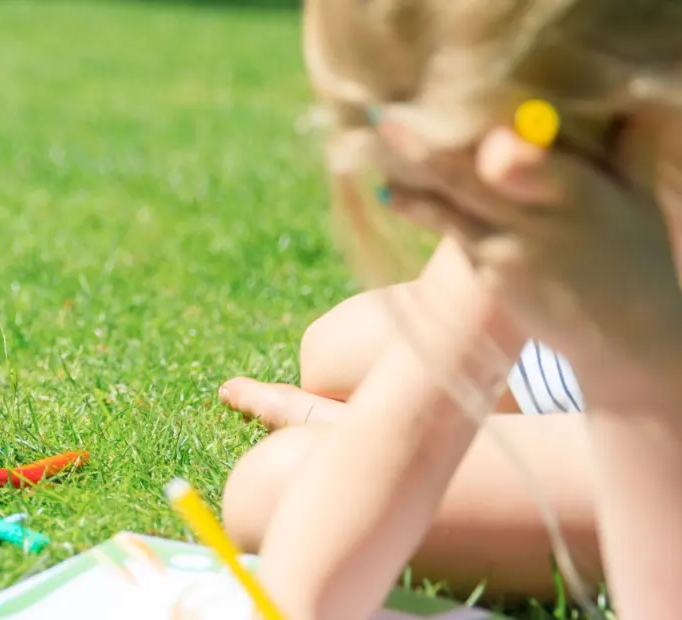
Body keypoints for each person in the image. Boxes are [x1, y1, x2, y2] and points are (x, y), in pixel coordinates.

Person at [218, 0, 682, 617]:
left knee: (273, 484)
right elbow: (412, 415)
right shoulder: (570, 146)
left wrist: (631, 367)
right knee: (335, 350)